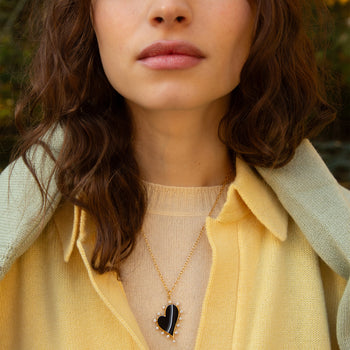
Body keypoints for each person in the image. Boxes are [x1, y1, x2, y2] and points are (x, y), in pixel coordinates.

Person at [0, 0, 349, 349]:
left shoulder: (335, 271)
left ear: (263, 11)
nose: (168, 8)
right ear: (86, 13)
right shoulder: (14, 262)